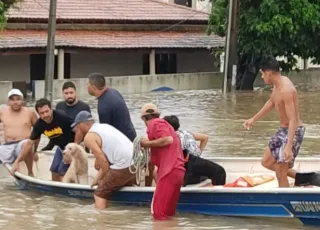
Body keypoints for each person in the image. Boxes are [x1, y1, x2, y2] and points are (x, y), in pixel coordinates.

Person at [243, 56, 305, 187]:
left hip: (292, 131)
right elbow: (271, 102)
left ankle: (285, 199)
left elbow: (293, 119)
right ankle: (302, 178)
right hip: (283, 130)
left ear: (269, 73)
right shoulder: (277, 85)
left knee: (280, 174)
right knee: (266, 162)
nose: (262, 77)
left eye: (262, 74)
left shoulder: (286, 89)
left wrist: (288, 147)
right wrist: (253, 119)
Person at [71, 111, 135, 209]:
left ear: (82, 124)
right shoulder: (103, 127)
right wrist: (97, 180)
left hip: (124, 164)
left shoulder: (89, 137)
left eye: (78, 126)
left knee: (99, 195)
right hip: (136, 162)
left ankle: (102, 222)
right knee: (118, 187)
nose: (77, 129)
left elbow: (104, 163)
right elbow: (105, 159)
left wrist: (102, 180)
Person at [10, 98, 83, 181]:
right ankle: (55, 191)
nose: (45, 115)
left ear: (51, 109)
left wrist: (74, 149)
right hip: (61, 148)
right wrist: (17, 161)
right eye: (42, 113)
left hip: (73, 148)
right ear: (38, 114)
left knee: (62, 171)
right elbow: (29, 143)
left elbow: (79, 130)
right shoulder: (39, 124)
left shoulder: (61, 116)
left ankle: (66, 190)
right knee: (54, 170)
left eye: (47, 111)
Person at [139, 103, 185, 220]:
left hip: (169, 171)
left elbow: (167, 140)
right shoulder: (167, 126)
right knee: (169, 214)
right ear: (158, 114)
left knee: (157, 213)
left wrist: (146, 144)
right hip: (178, 171)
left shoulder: (155, 123)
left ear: (144, 119)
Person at [163, 115, 226, 186]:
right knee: (219, 171)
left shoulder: (169, 138)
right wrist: (199, 152)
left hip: (187, 165)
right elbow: (205, 137)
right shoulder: (186, 133)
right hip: (193, 162)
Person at [86, 73, 137, 142]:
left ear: (93, 87)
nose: (86, 87)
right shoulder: (113, 91)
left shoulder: (104, 106)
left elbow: (106, 134)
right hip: (131, 136)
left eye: (87, 84)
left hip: (122, 142)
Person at [43, 81, 91, 151]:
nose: (69, 96)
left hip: (79, 142)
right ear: (63, 94)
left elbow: (87, 129)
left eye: (71, 93)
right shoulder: (59, 106)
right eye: (66, 93)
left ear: (76, 93)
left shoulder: (84, 107)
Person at [0, 89, 38, 176]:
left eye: (18, 99)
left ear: (22, 101)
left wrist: (35, 151)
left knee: (27, 143)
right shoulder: (2, 112)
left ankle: (30, 173)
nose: (15, 102)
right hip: (7, 146)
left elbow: (38, 132)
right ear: (9, 102)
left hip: (24, 145)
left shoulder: (30, 112)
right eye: (12, 99)